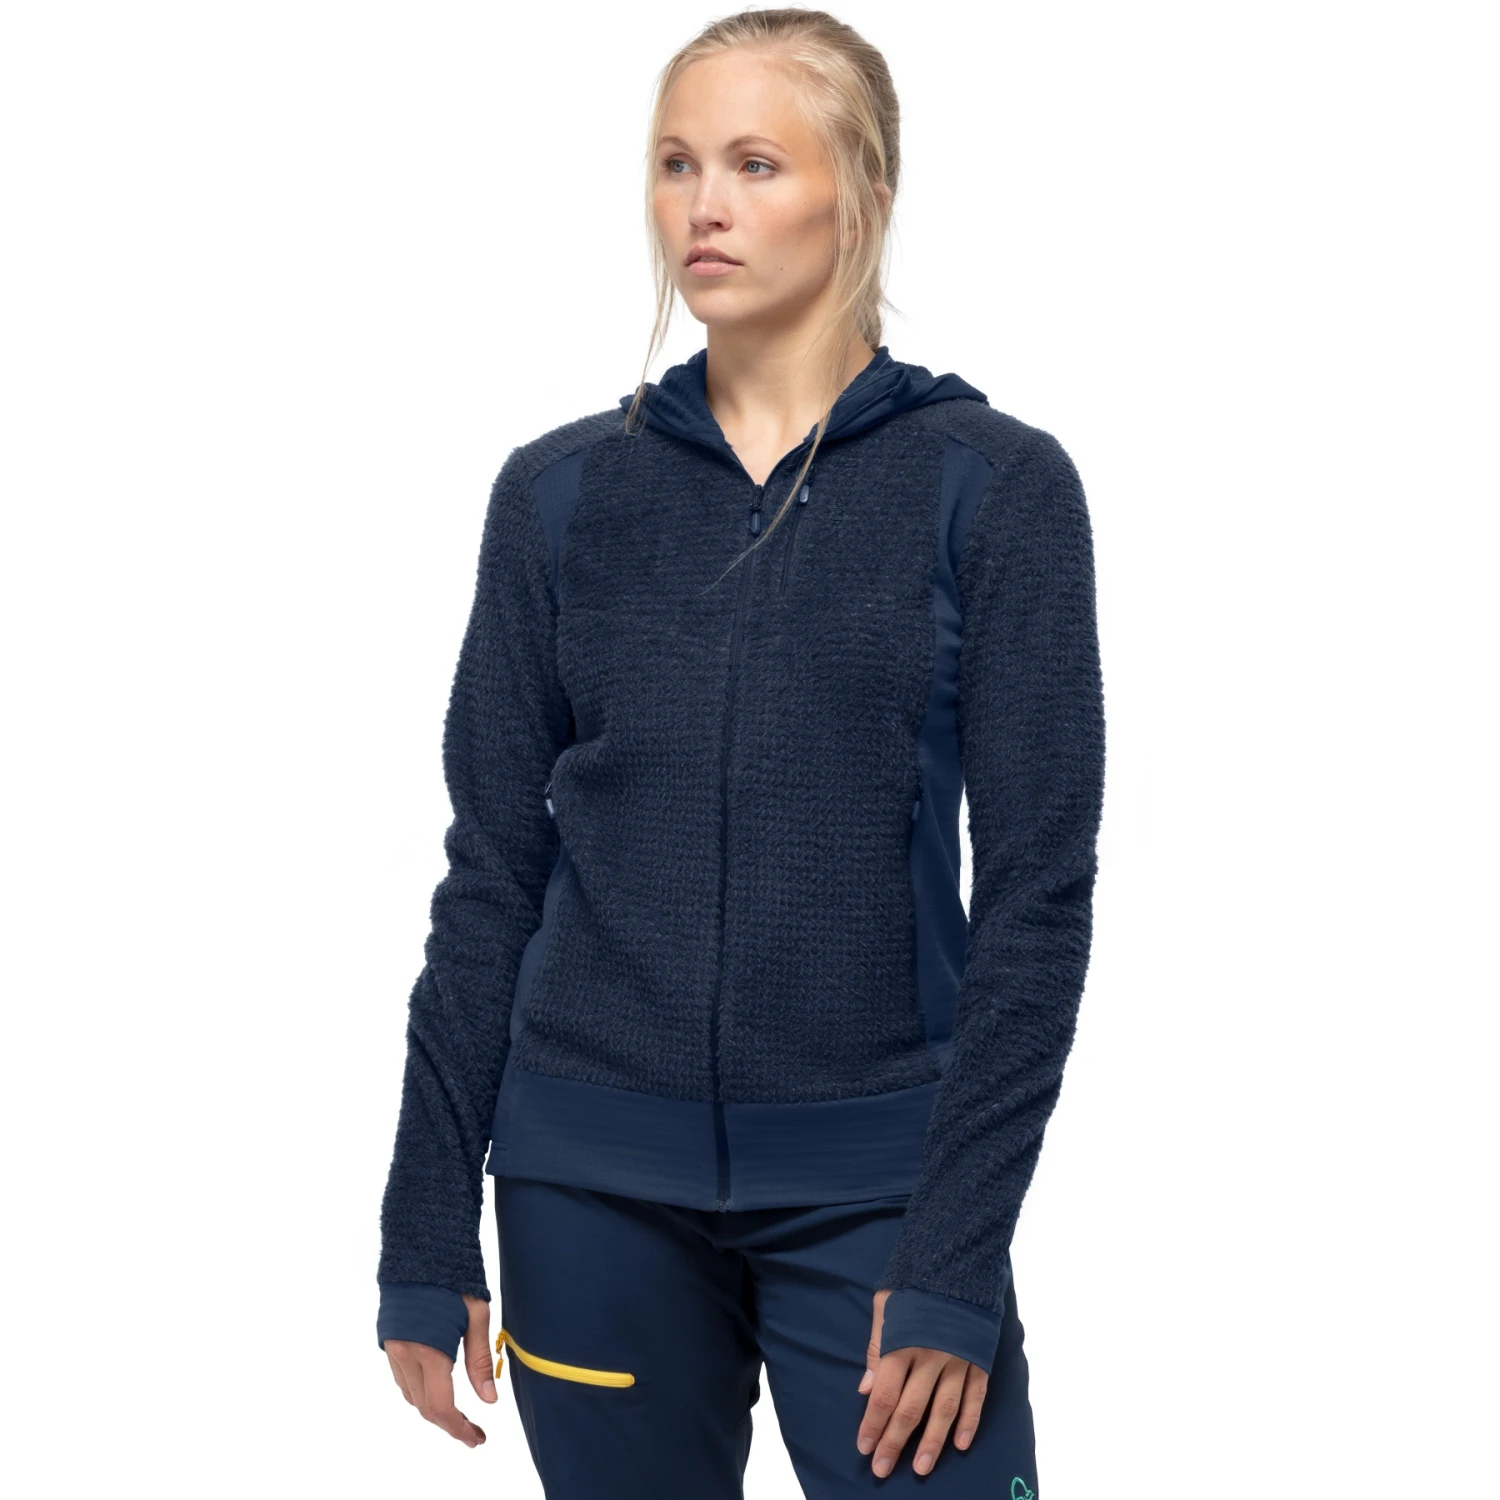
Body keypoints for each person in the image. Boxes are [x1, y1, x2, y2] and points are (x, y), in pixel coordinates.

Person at [375, 9, 1105, 1496]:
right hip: (586, 1190)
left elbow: (1037, 900)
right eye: (677, 163)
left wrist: (956, 1252)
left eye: (756, 164)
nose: (704, 205)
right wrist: (425, 1219)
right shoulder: (561, 497)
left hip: (882, 1196)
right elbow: (491, 874)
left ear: (866, 193)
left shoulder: (992, 489)